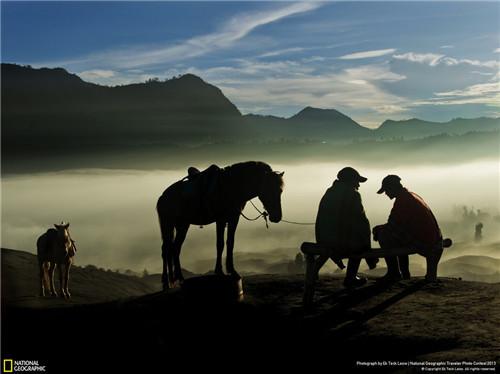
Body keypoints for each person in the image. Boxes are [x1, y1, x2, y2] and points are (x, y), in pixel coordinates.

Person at [315, 167, 378, 288]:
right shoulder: (352, 194)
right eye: (357, 181)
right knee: (358, 246)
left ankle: (313, 272)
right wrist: (368, 248)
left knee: (329, 248)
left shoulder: (330, 192)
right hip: (340, 241)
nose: (358, 185)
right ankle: (351, 278)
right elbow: (362, 223)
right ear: (350, 181)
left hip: (323, 239)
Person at [373, 175, 442, 281]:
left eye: (386, 190)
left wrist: (377, 230)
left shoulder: (403, 200)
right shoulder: (411, 195)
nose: (386, 193)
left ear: (392, 188)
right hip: (435, 240)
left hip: (426, 243)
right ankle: (404, 273)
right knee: (397, 236)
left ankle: (394, 272)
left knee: (383, 234)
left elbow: (393, 225)